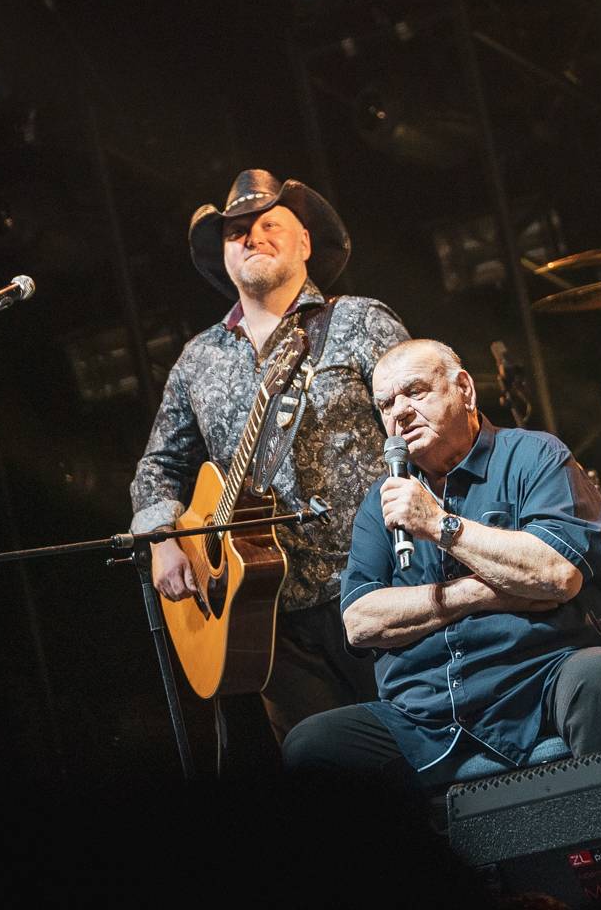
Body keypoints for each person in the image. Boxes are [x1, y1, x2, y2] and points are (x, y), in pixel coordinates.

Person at [281, 339, 601, 789]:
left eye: (415, 392)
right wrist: (476, 593)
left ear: (466, 391)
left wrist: (438, 524)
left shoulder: (535, 457)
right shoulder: (382, 503)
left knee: (599, 673)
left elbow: (556, 573)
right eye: (385, 404)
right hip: (423, 714)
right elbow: (360, 621)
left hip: (538, 685)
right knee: (312, 744)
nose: (399, 413)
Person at [131, 169, 410, 744]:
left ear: (305, 243)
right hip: (265, 617)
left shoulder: (359, 320)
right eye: (236, 231)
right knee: (327, 773)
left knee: (424, 749)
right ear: (224, 257)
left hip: (381, 587)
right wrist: (161, 536)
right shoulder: (197, 359)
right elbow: (157, 467)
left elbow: (423, 424)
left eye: (268, 223)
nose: (251, 236)